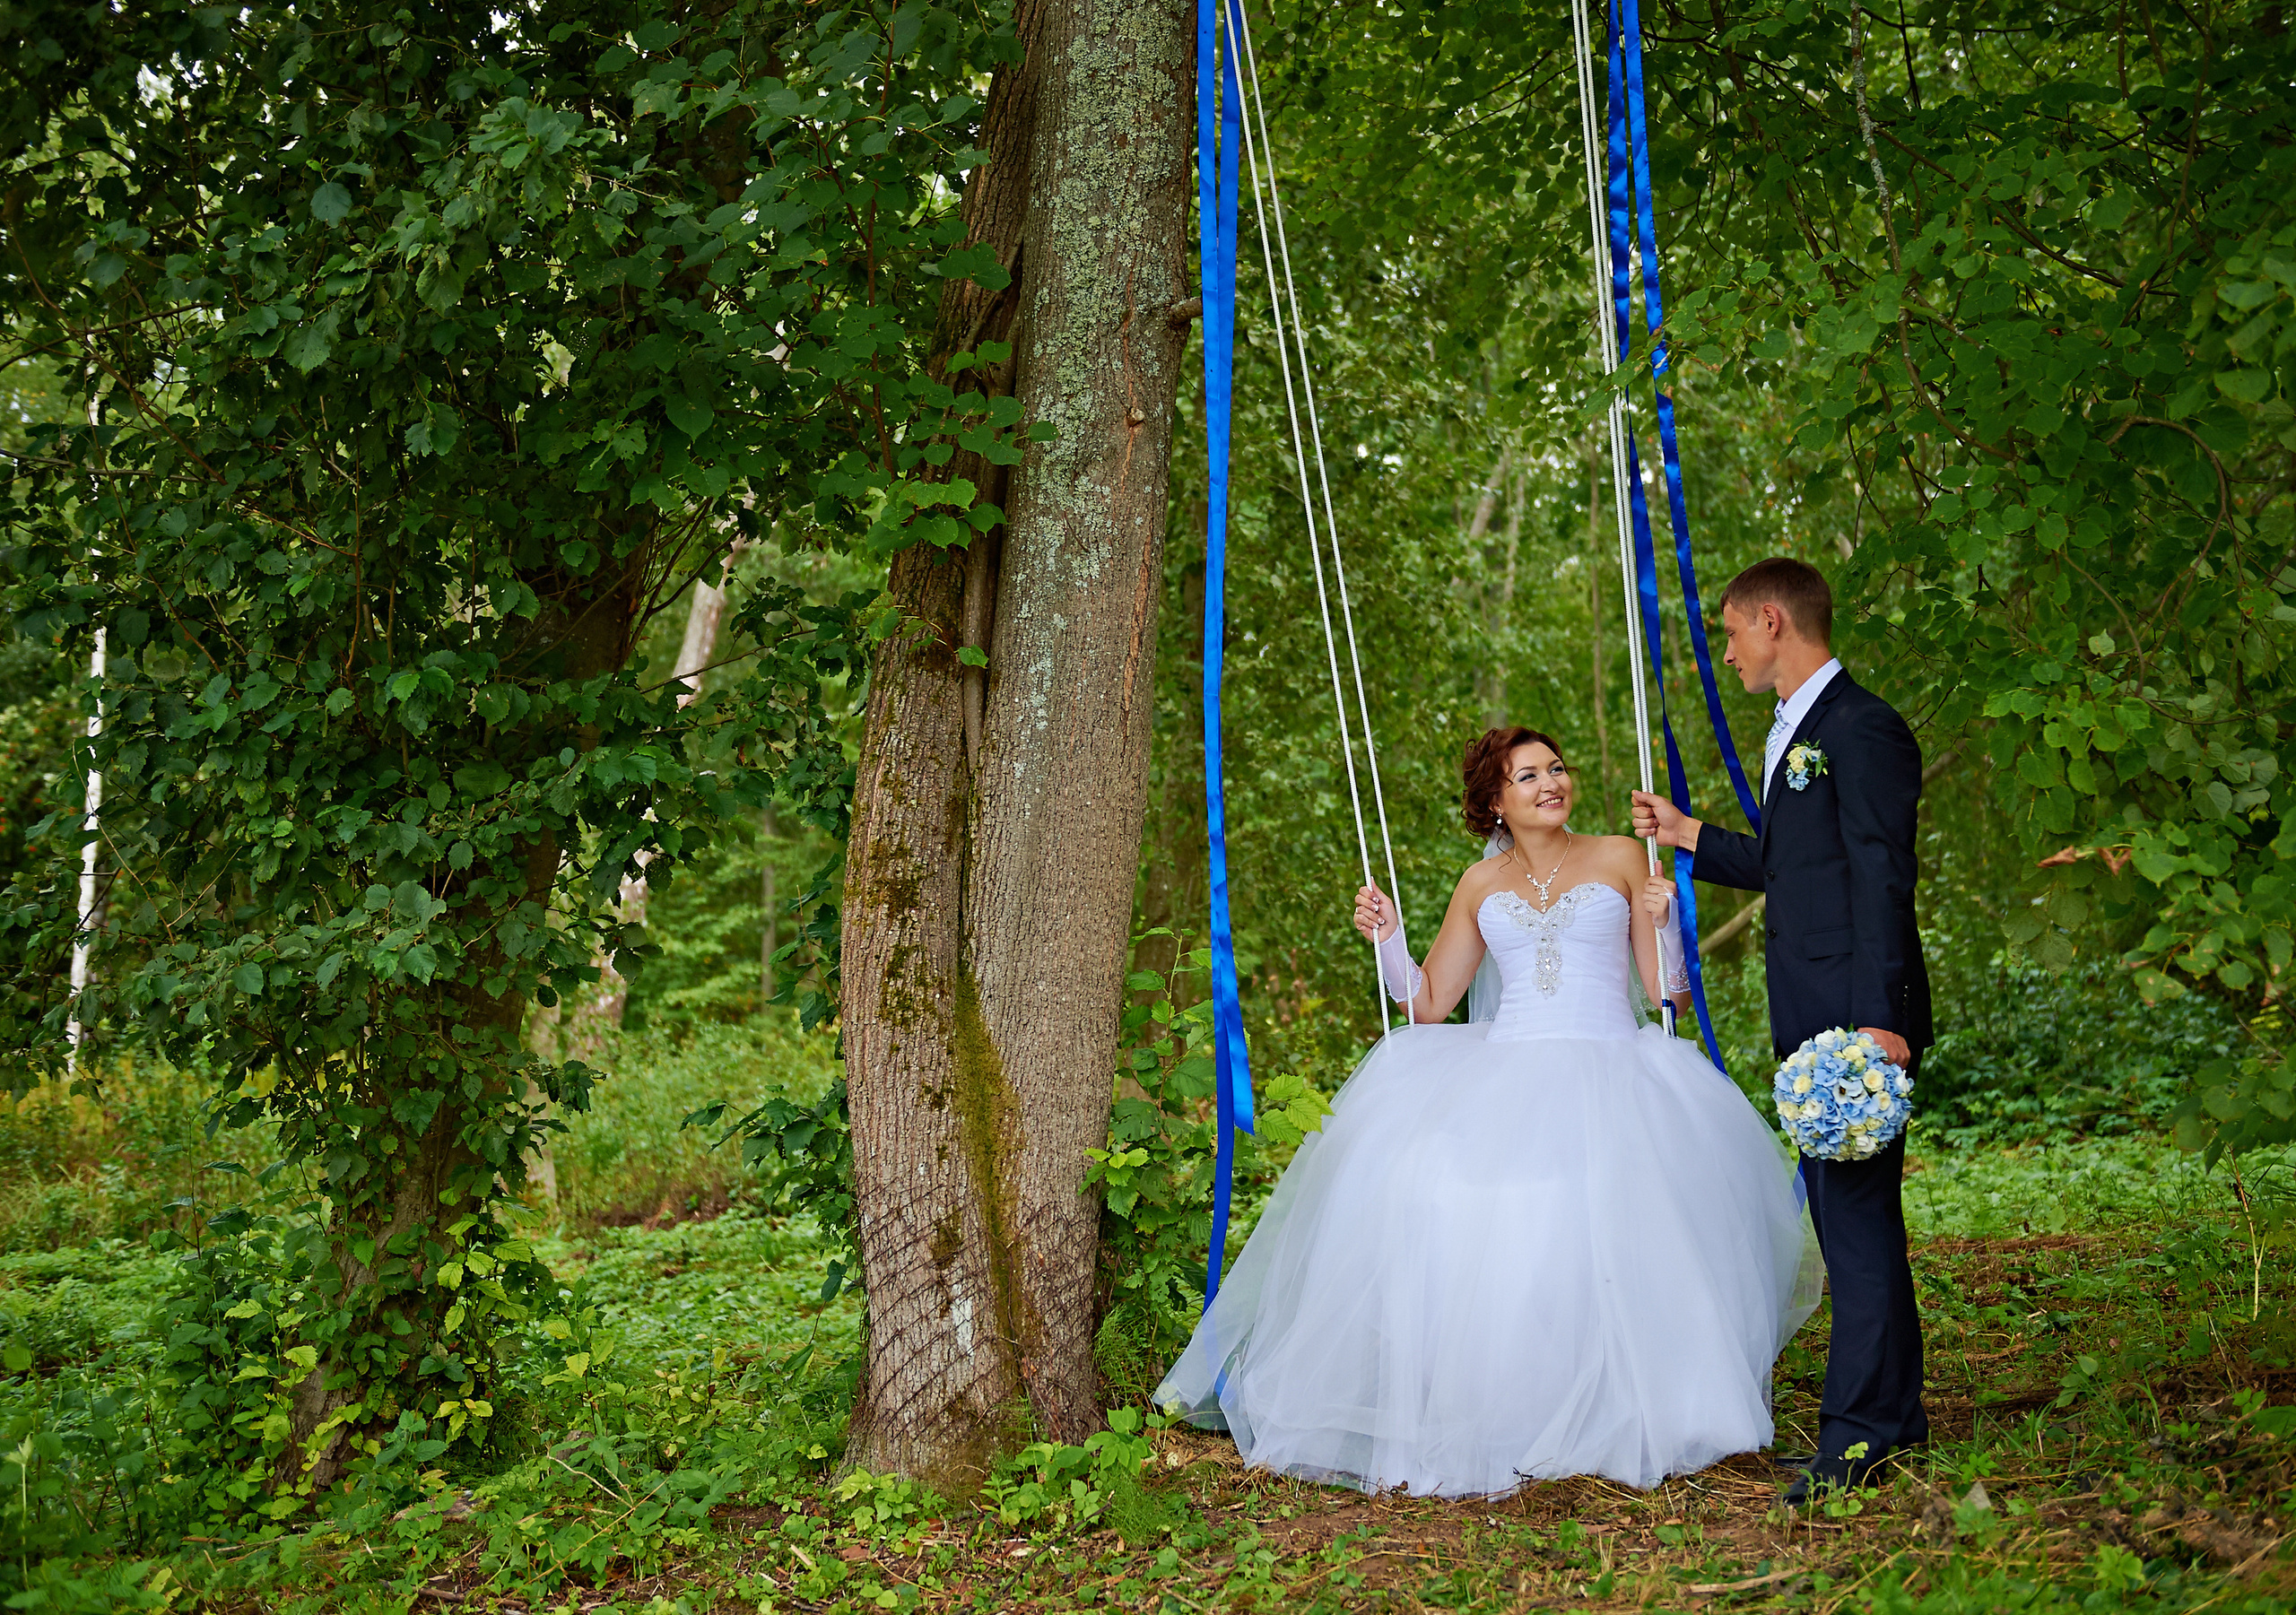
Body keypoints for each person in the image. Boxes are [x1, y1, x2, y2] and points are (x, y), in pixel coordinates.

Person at [1153, 725, 1819, 1498]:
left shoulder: (1617, 857)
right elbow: (1430, 1001)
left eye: (1559, 768)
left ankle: (1639, 1400)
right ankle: (1508, 1408)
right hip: (1507, 1067)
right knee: (1470, 1203)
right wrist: (1389, 938)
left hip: (1611, 1060)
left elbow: (1666, 994)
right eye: (1528, 774)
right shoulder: (1480, 885)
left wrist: (1666, 921)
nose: (1551, 783)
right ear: (1496, 799)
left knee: (1611, 1203)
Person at [1632, 556, 1932, 1505]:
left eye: (1729, 633)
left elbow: (1882, 877)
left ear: (1772, 622)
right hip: (1812, 1008)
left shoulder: (1861, 728)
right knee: (1855, 1219)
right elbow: (1788, 863)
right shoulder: (1796, 733)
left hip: (1853, 1015)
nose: (1726, 653)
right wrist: (1686, 833)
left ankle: (1857, 1438)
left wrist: (1880, 1021)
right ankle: (1896, 1415)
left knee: (1853, 1228)